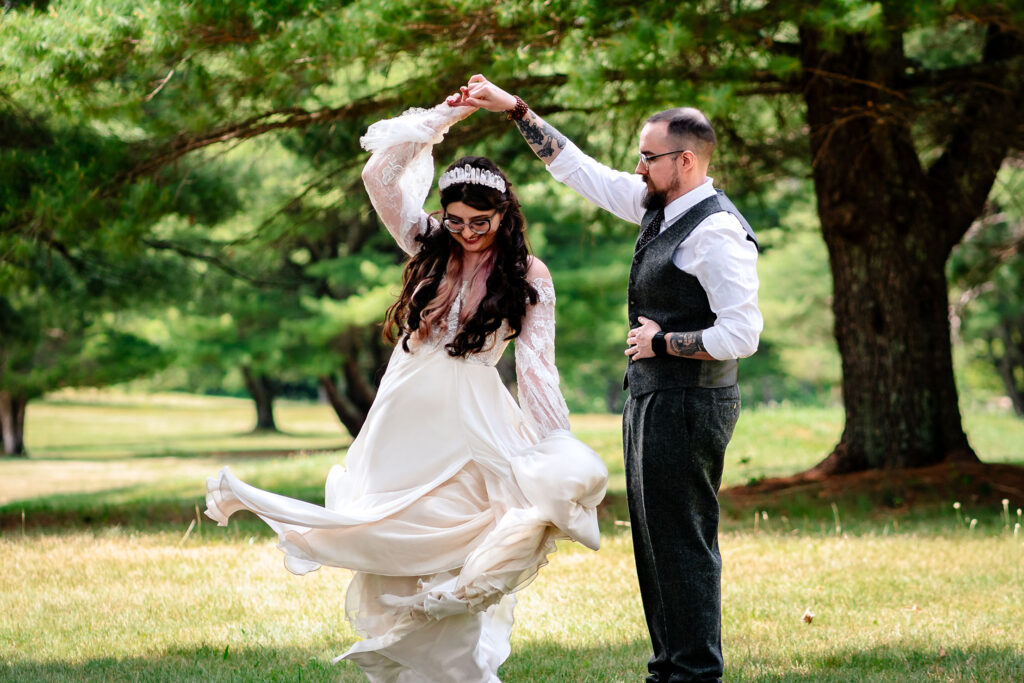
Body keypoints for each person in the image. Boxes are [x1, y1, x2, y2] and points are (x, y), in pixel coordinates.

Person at [204, 95, 607, 682]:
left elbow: (538, 370)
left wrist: (555, 450)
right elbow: (379, 175)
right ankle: (398, 668)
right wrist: (442, 118)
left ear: (504, 216)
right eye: (457, 220)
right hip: (403, 413)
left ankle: (458, 668)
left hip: (471, 418)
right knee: (392, 535)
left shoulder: (528, 275)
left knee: (451, 540)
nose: (467, 233)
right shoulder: (427, 243)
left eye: (481, 222)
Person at [457, 75, 762, 683]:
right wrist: (515, 108)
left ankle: (694, 673)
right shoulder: (661, 205)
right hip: (655, 398)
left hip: (689, 403)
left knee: (682, 541)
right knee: (654, 541)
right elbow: (581, 171)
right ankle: (668, 667)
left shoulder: (716, 232)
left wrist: (662, 343)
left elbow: (743, 334)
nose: (638, 166)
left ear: (687, 160)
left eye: (648, 157)